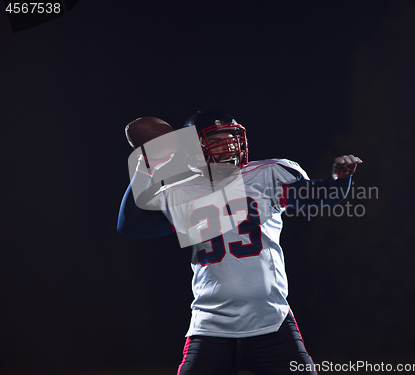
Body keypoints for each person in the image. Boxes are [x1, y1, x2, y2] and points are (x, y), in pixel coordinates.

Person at [117, 109, 362, 375]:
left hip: (272, 322)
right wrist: (145, 171)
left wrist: (340, 179)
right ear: (195, 147)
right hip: (211, 327)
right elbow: (132, 226)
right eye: (219, 137)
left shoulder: (267, 174)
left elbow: (320, 196)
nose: (231, 143)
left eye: (233, 136)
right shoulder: (181, 192)